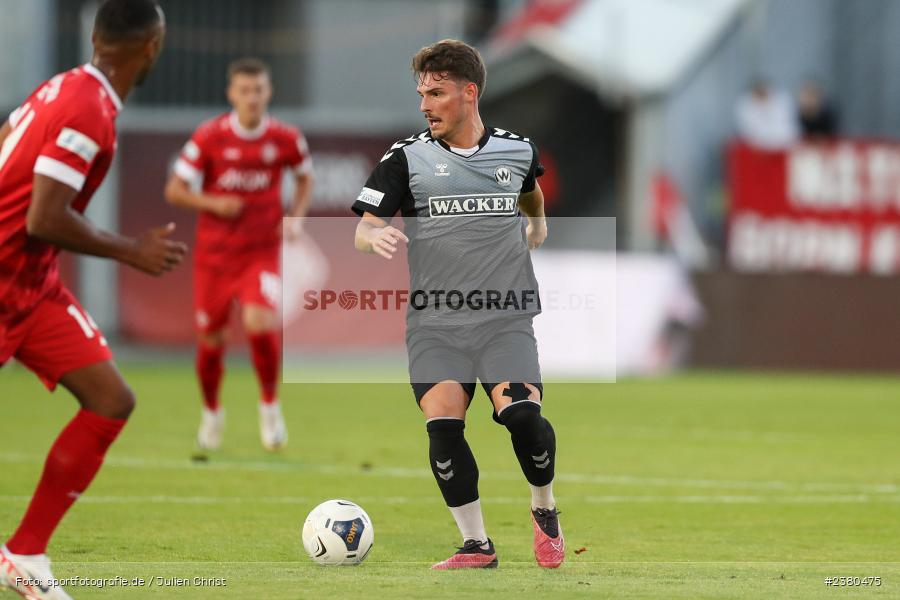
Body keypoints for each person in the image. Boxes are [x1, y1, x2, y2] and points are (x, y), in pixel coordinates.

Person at [351, 39, 563, 570]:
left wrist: (536, 222)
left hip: (504, 317)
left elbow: (530, 187)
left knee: (522, 418)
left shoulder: (517, 151)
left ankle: (544, 505)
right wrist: (370, 237)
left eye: (437, 93)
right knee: (443, 424)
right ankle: (476, 545)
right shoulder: (407, 158)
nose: (425, 104)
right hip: (436, 323)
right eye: (422, 93)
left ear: (469, 94)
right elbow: (365, 225)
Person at [0, 1, 178, 598]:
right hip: (6, 276)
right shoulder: (87, 108)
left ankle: (25, 555)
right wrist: (131, 250)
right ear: (151, 47)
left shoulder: (64, 87)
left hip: (30, 284)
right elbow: (45, 216)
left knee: (109, 399)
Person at [165, 58, 314, 452]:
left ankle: (269, 407)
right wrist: (212, 202)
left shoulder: (285, 138)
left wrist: (296, 217)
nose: (252, 98)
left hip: (260, 253)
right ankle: (212, 413)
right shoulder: (209, 137)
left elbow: (305, 176)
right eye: (244, 91)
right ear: (232, 93)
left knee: (259, 323)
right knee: (210, 342)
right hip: (214, 258)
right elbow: (175, 189)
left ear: (269, 92)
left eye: (259, 90)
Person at [735, 79, 799, 150]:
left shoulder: (782, 100)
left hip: (784, 144)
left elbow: (787, 128)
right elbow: (749, 131)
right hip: (757, 148)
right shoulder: (745, 105)